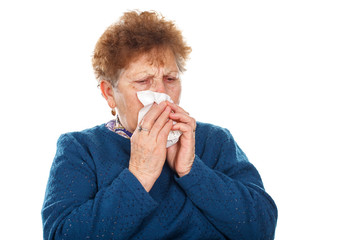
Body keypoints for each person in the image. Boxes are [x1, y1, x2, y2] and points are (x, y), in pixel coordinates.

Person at [41, 10, 277, 240]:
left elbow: (262, 229)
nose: (162, 94)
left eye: (170, 79)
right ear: (109, 93)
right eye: (143, 81)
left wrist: (192, 171)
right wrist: (139, 176)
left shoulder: (214, 140)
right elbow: (62, 235)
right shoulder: (81, 148)